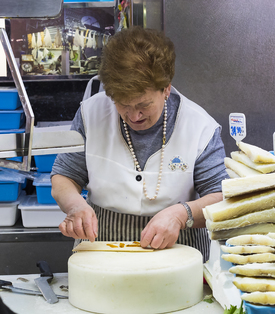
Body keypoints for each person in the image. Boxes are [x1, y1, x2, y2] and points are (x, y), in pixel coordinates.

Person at [51, 26, 228, 262]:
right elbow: (64, 175)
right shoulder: (90, 113)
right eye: (123, 104)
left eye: (143, 105)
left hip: (178, 252)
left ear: (165, 88)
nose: (134, 116)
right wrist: (75, 206)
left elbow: (220, 196)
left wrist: (180, 215)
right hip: (102, 248)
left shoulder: (200, 127)